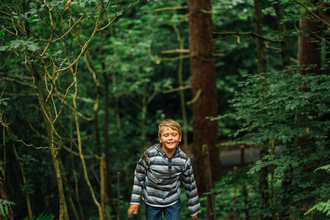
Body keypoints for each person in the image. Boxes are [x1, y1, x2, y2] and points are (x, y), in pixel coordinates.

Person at [127, 119, 200, 220]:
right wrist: (135, 202)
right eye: (166, 135)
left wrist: (194, 210)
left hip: (173, 201)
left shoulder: (183, 160)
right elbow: (139, 176)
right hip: (152, 201)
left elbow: (190, 185)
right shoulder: (150, 154)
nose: (170, 138)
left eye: (174, 135)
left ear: (180, 138)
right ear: (160, 138)